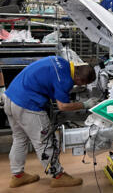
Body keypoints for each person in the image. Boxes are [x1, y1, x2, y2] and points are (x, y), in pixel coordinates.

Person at [3, 56, 96, 188]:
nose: (78, 86)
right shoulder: (65, 79)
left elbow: (47, 81)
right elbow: (63, 106)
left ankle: (17, 176)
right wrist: (84, 104)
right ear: (79, 79)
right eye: (81, 84)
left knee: (19, 138)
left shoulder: (60, 60)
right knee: (45, 141)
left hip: (10, 97)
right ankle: (58, 176)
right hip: (27, 104)